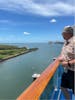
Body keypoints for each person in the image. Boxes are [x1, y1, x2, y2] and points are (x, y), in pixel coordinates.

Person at [58, 26, 75, 100]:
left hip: (73, 72)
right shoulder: (66, 42)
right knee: (63, 87)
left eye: (63, 34)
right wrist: (60, 57)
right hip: (66, 70)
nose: (62, 35)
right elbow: (65, 53)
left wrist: (68, 63)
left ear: (68, 33)